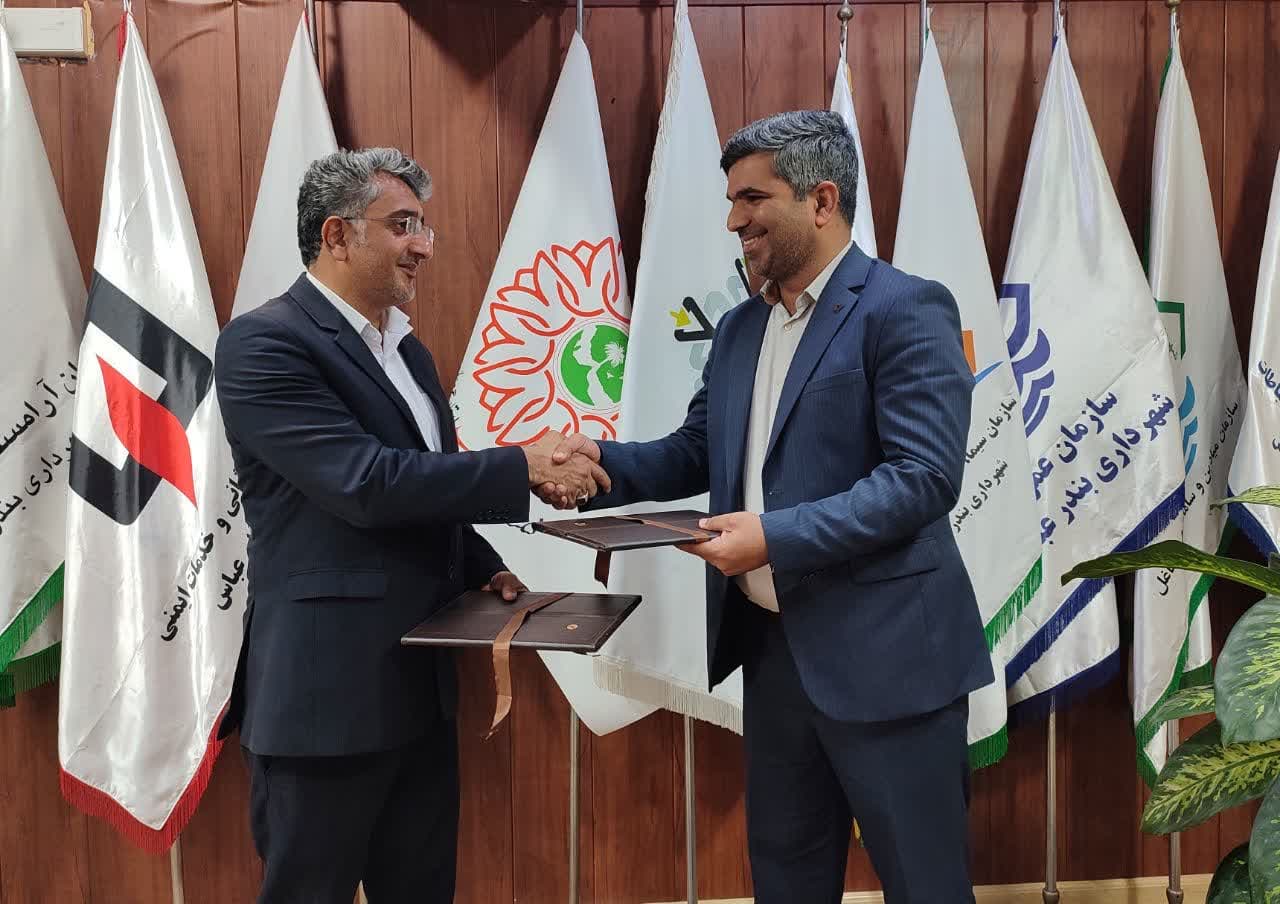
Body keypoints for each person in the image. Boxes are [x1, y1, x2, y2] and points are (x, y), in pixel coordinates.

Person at [546, 111, 991, 903]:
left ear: (822, 201)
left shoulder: (905, 308)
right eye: (731, 200)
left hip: (890, 662)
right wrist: (597, 462)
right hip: (775, 659)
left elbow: (923, 478)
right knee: (786, 880)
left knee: (924, 884)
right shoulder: (741, 327)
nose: (734, 220)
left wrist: (773, 538)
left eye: (753, 199)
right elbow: (696, 450)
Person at [214, 147, 605, 904]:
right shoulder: (265, 343)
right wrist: (524, 466)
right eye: (402, 225)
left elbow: (430, 488)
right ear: (336, 235)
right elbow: (365, 484)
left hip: (421, 693)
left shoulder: (410, 353)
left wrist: (482, 568)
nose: (423, 245)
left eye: (424, 226)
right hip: (325, 703)